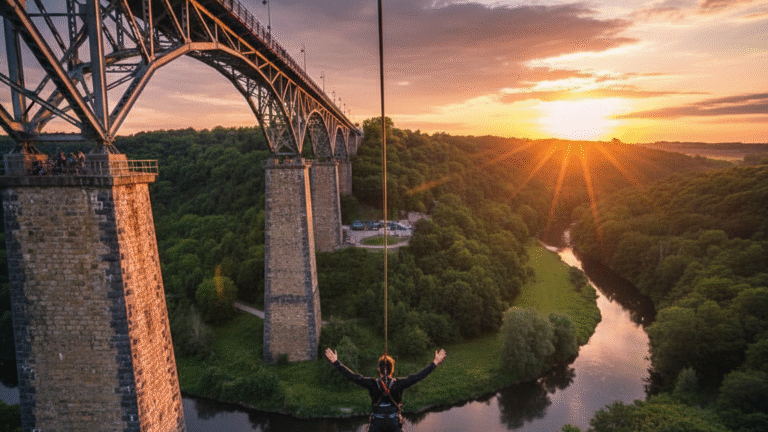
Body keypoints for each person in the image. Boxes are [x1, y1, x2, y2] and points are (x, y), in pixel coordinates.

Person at [325, 347, 447, 432]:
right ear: (392, 369)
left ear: (379, 369)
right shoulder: (399, 384)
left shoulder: (372, 384)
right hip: (394, 425)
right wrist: (435, 362)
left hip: (376, 425)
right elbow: (418, 376)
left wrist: (336, 363)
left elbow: (352, 377)